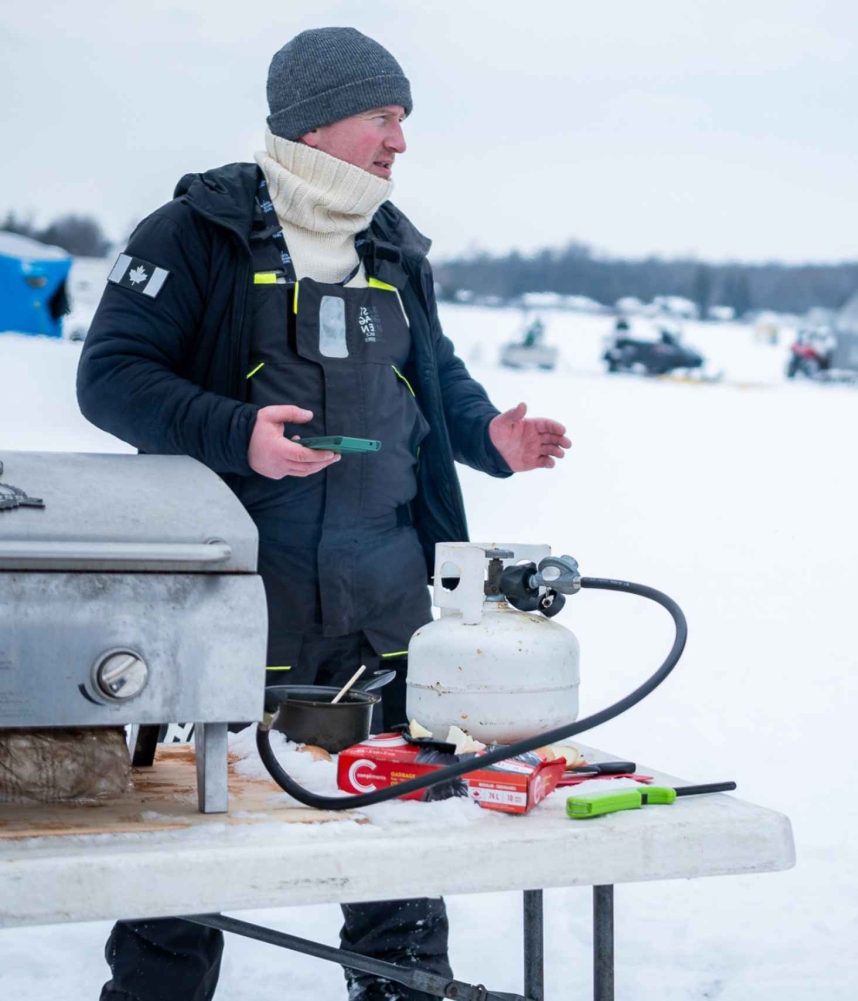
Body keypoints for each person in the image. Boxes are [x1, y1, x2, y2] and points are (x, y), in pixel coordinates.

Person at [77, 27, 571, 1001]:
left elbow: (435, 378)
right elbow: (111, 378)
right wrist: (236, 431)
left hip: (382, 613)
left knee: (401, 849)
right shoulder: (196, 230)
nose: (400, 142)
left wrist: (490, 437)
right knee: (185, 867)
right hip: (223, 616)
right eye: (384, 117)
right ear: (319, 117)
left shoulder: (391, 243)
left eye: (404, 120)